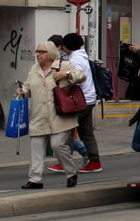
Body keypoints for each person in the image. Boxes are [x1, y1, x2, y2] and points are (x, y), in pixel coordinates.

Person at [17, 42, 82, 189]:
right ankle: (35, 179)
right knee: (36, 147)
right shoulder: (34, 68)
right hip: (39, 115)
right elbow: (29, 85)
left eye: (42, 52)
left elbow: (81, 75)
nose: (38, 54)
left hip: (60, 116)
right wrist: (23, 90)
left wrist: (66, 74)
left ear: (51, 53)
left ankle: (71, 173)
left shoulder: (63, 66)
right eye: (37, 51)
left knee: (57, 145)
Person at [47, 33, 102, 173]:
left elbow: (77, 78)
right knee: (86, 132)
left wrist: (64, 76)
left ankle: (65, 162)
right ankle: (94, 161)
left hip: (78, 101)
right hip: (88, 99)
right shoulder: (82, 57)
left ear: (67, 46)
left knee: (66, 130)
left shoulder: (75, 60)